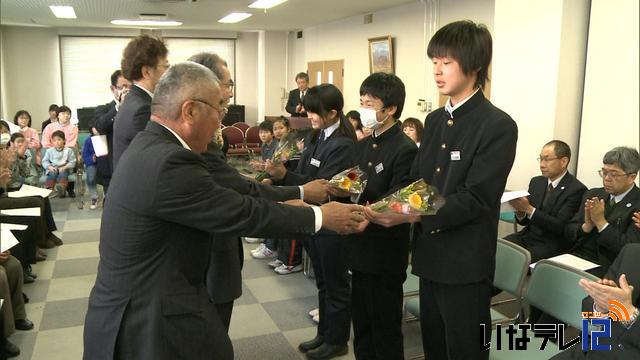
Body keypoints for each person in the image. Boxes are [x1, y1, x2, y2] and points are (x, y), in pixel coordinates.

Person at [83, 62, 365, 360]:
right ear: (190, 111)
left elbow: (233, 199)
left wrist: (291, 200)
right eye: (219, 108)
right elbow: (239, 212)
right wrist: (321, 216)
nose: (221, 122)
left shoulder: (152, 143)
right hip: (148, 321)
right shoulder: (171, 161)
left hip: (141, 304)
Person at [364, 20, 518, 359]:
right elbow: (417, 181)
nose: (437, 70)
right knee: (434, 344)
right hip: (429, 255)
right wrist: (386, 208)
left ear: (474, 65)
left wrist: (407, 212)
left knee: (465, 350)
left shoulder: (497, 125)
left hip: (465, 262)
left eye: (446, 62)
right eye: (434, 61)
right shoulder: (434, 120)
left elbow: (476, 198)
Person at [266, 83, 357, 359]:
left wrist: (286, 177)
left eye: (315, 113)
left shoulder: (343, 144)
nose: (310, 117)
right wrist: (282, 173)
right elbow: (305, 172)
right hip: (313, 217)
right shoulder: (318, 136)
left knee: (336, 284)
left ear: (332, 113)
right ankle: (324, 334)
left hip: (332, 221)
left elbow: (324, 185)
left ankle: (337, 340)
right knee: (322, 282)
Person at [336, 72, 417, 359]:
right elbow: (354, 182)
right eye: (361, 102)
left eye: (369, 103)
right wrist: (337, 188)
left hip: (384, 250)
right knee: (362, 322)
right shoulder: (364, 143)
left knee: (384, 326)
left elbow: (400, 199)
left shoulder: (405, 148)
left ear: (390, 108)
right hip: (358, 245)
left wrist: (366, 211)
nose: (363, 109)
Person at [551, 243, 640, 359]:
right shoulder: (632, 252)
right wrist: (601, 306)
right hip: (594, 349)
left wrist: (627, 313)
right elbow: (589, 307)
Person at [506, 140, 587, 262]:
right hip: (528, 236)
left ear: (563, 161)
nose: (542, 164)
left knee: (517, 261)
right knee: (497, 248)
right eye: (540, 159)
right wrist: (520, 212)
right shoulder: (537, 182)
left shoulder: (576, 189)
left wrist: (528, 209)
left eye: (547, 159)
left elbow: (560, 227)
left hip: (551, 243)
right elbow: (526, 222)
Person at [566, 146, 640, 278]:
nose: (607, 178)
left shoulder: (637, 204)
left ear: (631, 177)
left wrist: (601, 223)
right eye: (604, 172)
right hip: (576, 256)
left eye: (614, 174)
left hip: (607, 266)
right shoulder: (593, 194)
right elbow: (568, 230)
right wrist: (586, 227)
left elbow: (628, 249)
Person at [112, 34, 169, 169]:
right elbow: (152, 160)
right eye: (165, 66)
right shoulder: (142, 109)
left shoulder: (133, 100)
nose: (169, 72)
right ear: (147, 72)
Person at [93, 69, 132, 195]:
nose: (127, 90)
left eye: (130, 86)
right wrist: (119, 107)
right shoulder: (103, 109)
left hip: (134, 164)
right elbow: (100, 126)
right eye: (122, 87)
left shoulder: (140, 108)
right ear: (113, 88)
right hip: (111, 167)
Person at [42, 130, 76, 197]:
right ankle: (49, 188)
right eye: (54, 140)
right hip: (53, 168)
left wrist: (65, 167)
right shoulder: (49, 151)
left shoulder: (68, 150)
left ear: (64, 140)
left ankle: (61, 187)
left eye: (59, 140)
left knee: (63, 173)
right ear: (52, 142)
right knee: (52, 173)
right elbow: (44, 161)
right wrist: (49, 167)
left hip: (64, 168)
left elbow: (72, 162)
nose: (57, 142)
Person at [82, 129, 99, 209]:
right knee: (90, 177)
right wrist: (92, 159)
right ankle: (94, 197)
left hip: (106, 162)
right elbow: (85, 156)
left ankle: (108, 196)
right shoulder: (88, 140)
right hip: (92, 163)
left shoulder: (108, 137)